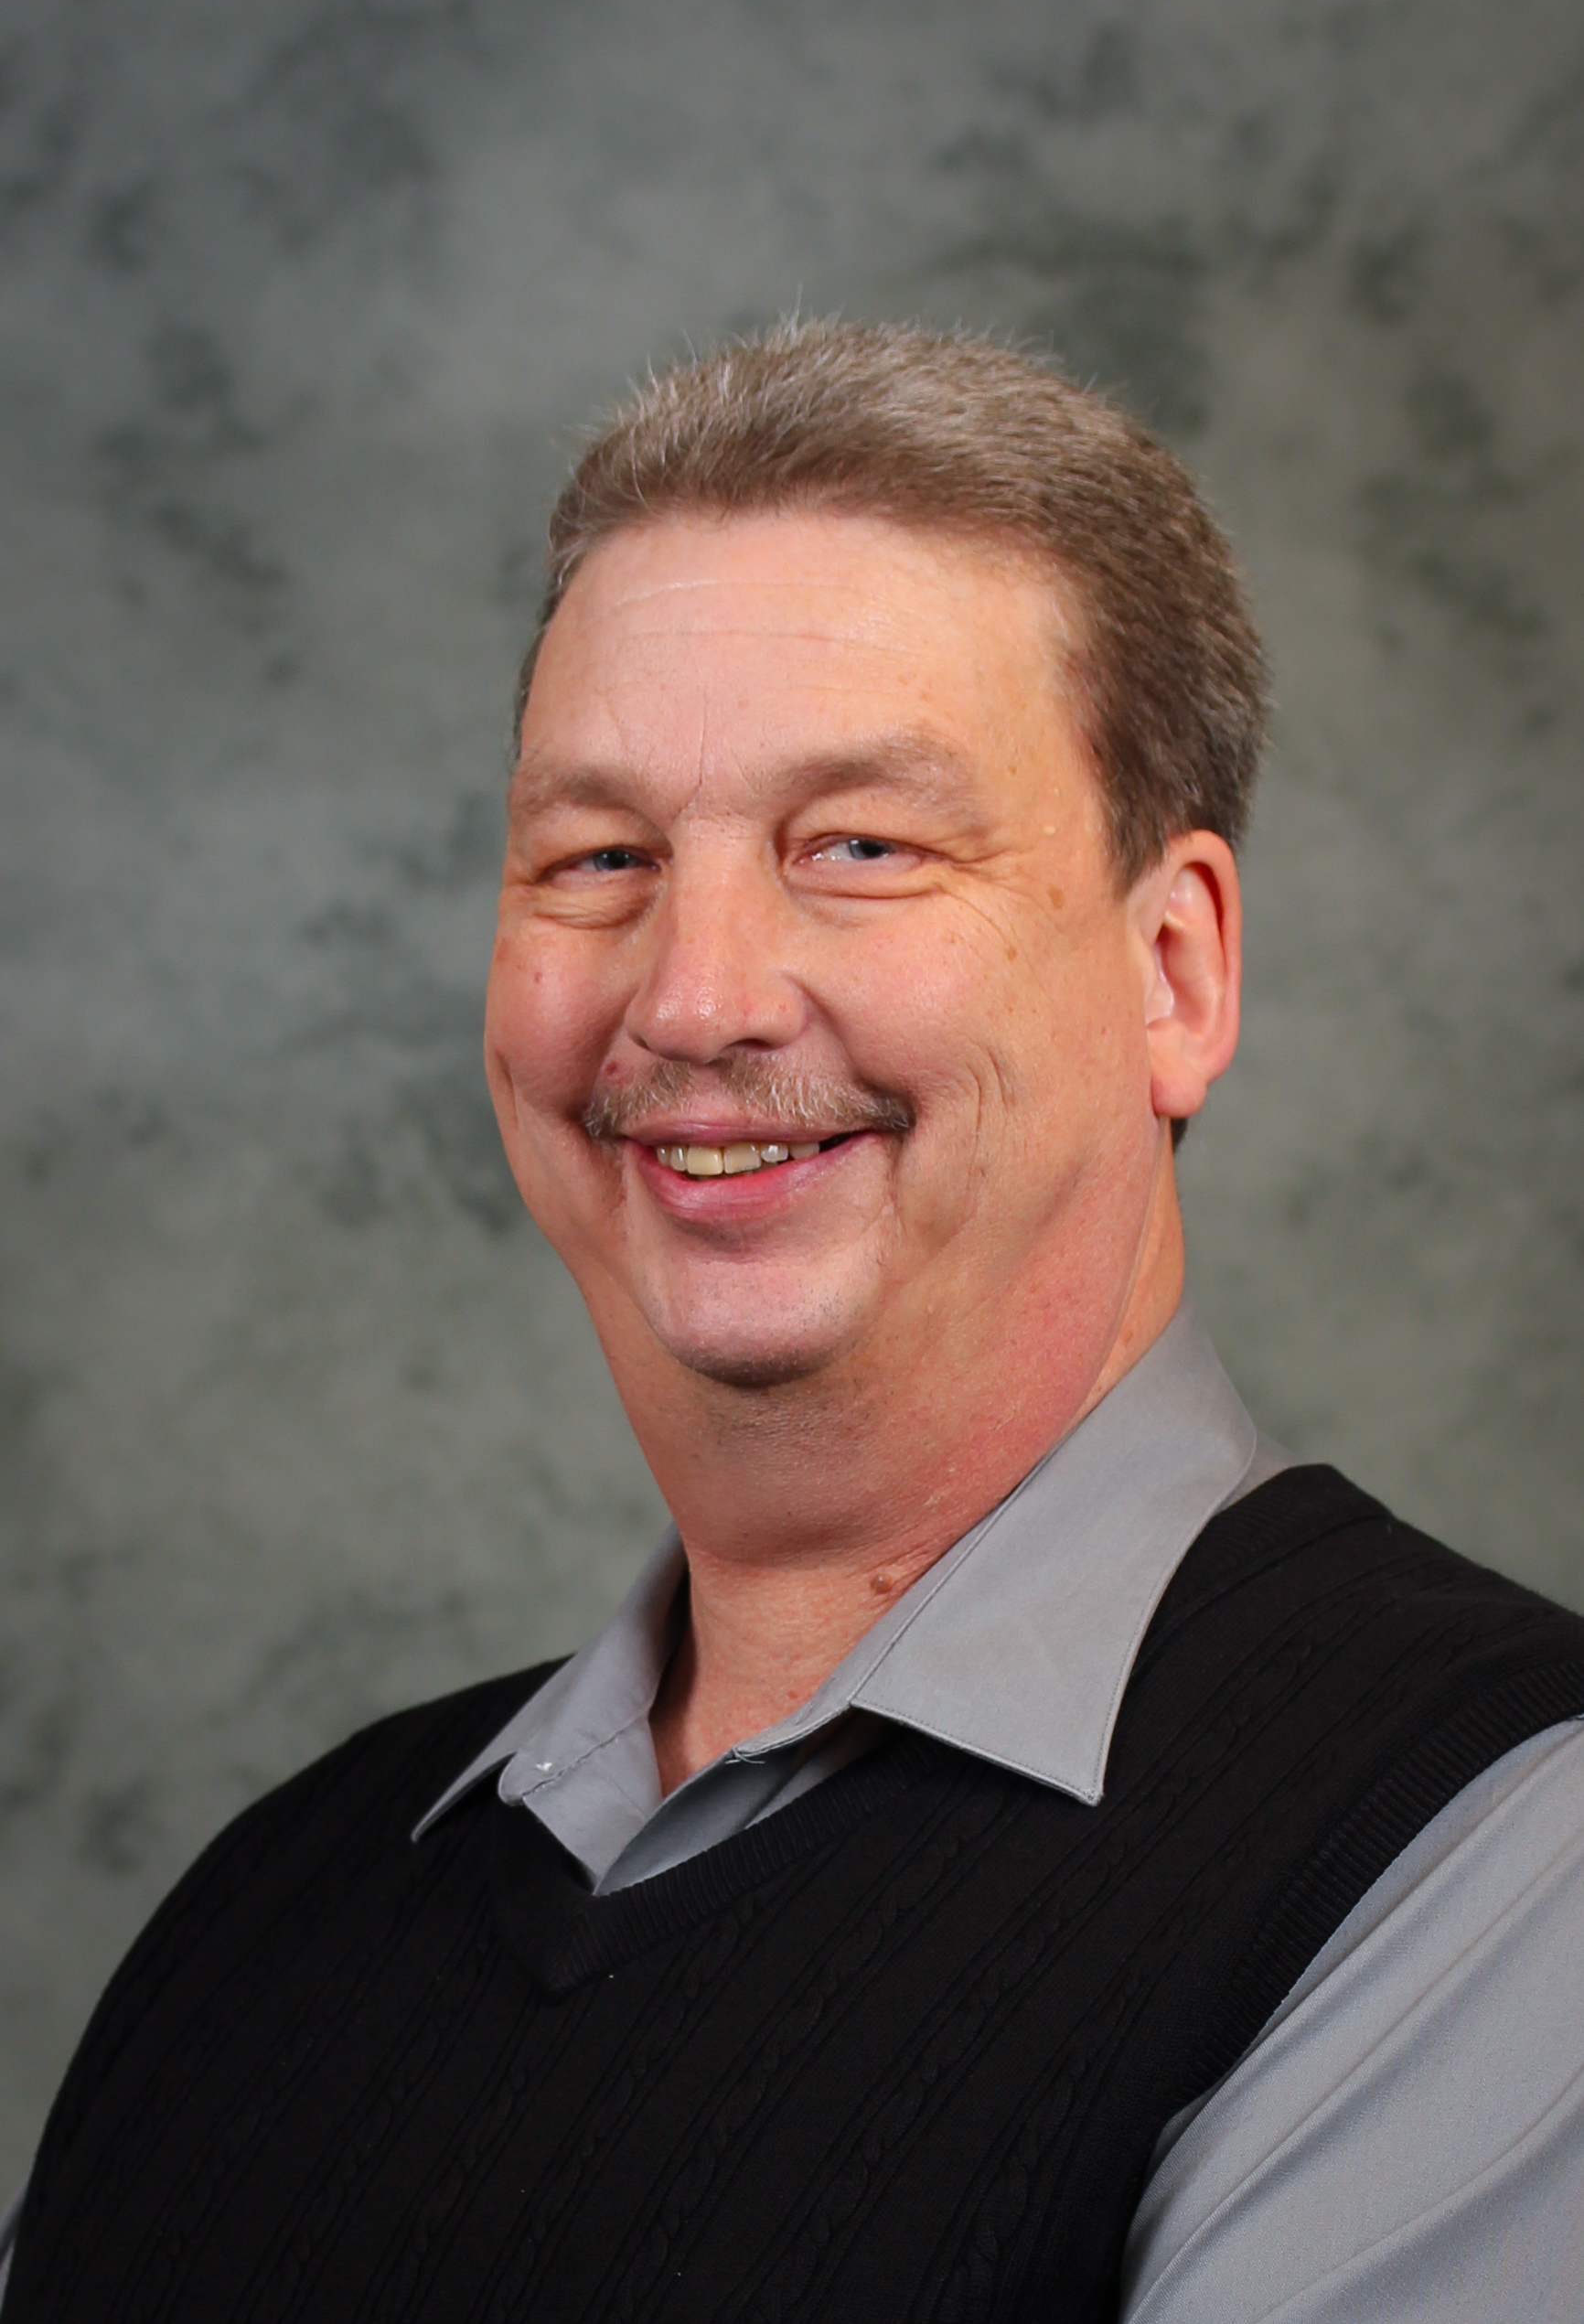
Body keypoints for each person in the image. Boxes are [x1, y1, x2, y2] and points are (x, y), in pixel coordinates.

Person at [3, 320, 1581, 2323]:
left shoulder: (1492, 1854)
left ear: (1172, 973)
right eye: (600, 859)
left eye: (858, 846)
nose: (694, 996)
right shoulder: (276, 1905)